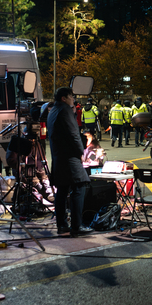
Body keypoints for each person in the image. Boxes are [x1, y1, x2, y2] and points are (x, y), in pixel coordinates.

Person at [47, 87, 93, 236]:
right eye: (71, 97)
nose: (73, 99)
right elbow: (73, 134)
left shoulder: (52, 111)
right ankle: (77, 226)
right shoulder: (65, 110)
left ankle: (62, 225)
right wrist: (82, 152)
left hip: (58, 156)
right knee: (79, 186)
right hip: (69, 157)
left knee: (62, 190)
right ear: (63, 98)